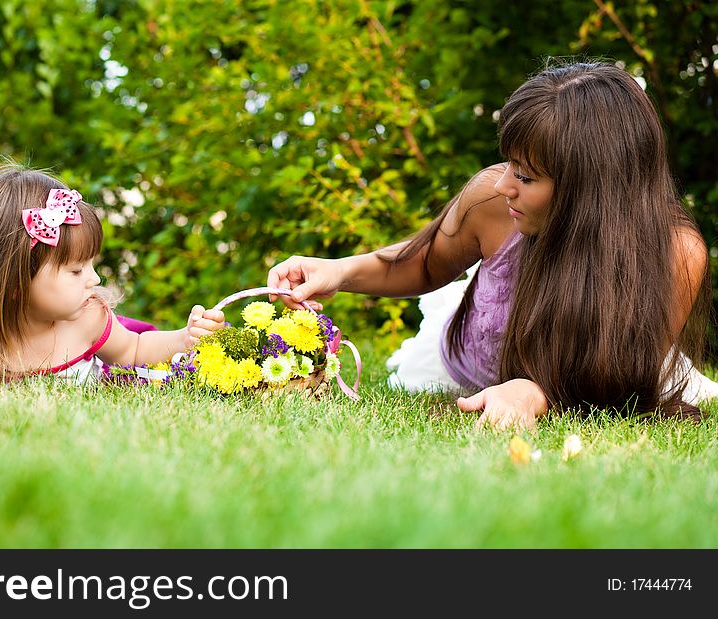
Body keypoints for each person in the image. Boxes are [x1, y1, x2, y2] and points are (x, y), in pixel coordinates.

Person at [267, 60, 714, 431]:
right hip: (466, 366)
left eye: (525, 176)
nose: (502, 184)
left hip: (608, 368)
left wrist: (536, 394)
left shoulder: (675, 253)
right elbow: (423, 264)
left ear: (591, 192)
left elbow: (616, 389)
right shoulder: (494, 203)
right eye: (509, 165)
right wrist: (338, 271)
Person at [0, 163, 225, 392]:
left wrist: (183, 338)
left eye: (91, 265)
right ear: (14, 282)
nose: (94, 279)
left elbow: (136, 349)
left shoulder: (87, 318)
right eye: (75, 270)